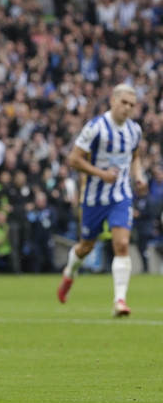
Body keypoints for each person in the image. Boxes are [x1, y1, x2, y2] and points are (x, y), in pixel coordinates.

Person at [57, 84, 146, 317]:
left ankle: (119, 301)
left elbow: (134, 157)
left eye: (132, 105)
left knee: (122, 244)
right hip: (94, 198)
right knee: (86, 247)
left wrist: (139, 177)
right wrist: (100, 173)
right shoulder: (95, 128)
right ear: (113, 101)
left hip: (121, 196)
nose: (127, 108)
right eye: (124, 102)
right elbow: (73, 159)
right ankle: (69, 274)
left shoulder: (134, 130)